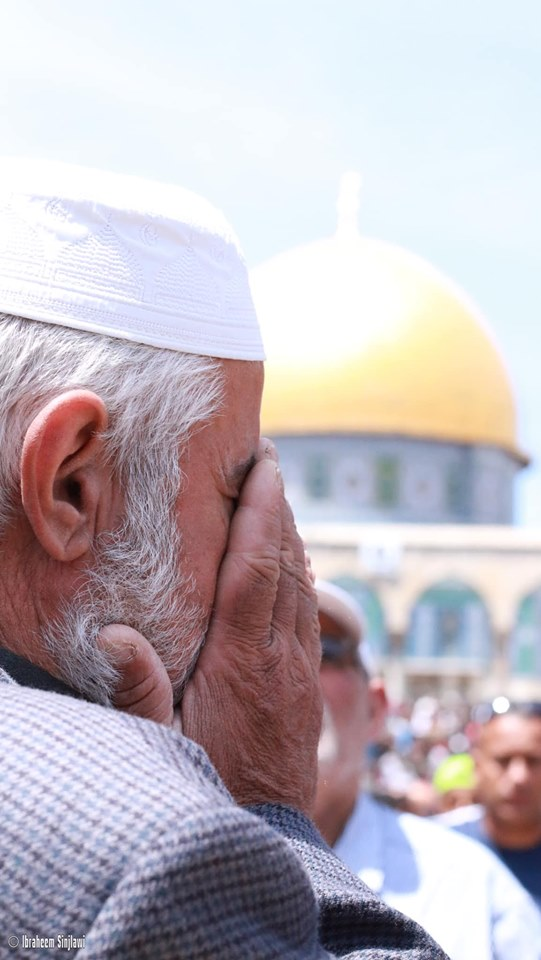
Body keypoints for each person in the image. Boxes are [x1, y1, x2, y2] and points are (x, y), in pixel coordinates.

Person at [0, 159, 448, 959]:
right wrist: (263, 806)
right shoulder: (155, 848)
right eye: (241, 493)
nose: (266, 562)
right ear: (71, 483)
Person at [314, 579, 541, 960]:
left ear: (376, 708)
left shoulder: (470, 886)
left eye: (324, 650)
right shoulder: (184, 876)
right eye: (253, 643)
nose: (287, 667)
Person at [439, 702, 541, 909]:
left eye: (533, 761)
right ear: (477, 767)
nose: (519, 777)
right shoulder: (432, 849)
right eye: (503, 760)